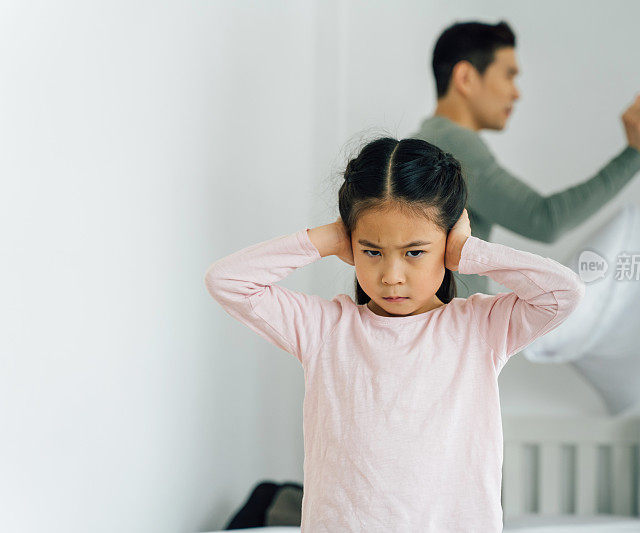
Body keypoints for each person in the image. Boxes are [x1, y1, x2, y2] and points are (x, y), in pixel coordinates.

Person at [204, 136, 585, 531]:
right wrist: (328, 238)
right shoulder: (324, 329)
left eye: (414, 252)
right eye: (372, 252)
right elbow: (227, 281)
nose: (391, 276)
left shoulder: (479, 329)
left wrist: (469, 252)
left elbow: (564, 293)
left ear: (447, 242)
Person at [411, 20, 640, 297]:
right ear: (465, 77)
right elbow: (545, 219)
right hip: (453, 333)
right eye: (509, 75)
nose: (516, 92)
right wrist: (635, 154)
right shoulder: (452, 145)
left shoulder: (427, 139)